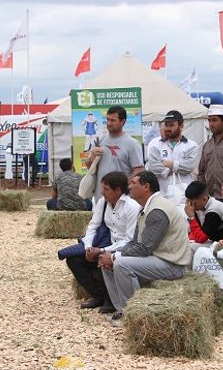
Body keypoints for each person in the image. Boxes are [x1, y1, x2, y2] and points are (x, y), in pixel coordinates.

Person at [98, 171, 192, 325]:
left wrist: (115, 257)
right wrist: (111, 255)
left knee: (120, 264)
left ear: (146, 186)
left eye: (133, 183)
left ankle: (136, 314)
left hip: (172, 264)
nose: (129, 187)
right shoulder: (146, 208)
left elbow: (144, 248)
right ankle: (123, 310)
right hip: (158, 258)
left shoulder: (157, 210)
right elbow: (134, 242)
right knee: (107, 263)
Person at [65, 171, 141, 312]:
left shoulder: (132, 207)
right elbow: (93, 225)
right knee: (73, 259)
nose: (102, 192)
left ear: (118, 190)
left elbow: (130, 240)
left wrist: (101, 251)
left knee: (103, 259)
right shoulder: (103, 202)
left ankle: (111, 301)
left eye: (106, 189)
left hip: (124, 249)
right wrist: (88, 247)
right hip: (106, 243)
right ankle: (99, 295)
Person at [86, 106, 144, 201]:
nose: (109, 123)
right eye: (107, 119)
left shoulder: (132, 143)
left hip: (121, 198)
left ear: (123, 122)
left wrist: (123, 186)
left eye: (113, 120)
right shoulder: (99, 140)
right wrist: (92, 155)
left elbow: (139, 170)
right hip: (101, 197)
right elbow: (89, 167)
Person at [145, 110, 199, 200]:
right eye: (166, 125)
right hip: (161, 195)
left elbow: (188, 167)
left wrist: (171, 164)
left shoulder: (191, 146)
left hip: (184, 197)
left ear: (181, 126)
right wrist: (175, 168)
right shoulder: (156, 145)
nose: (168, 128)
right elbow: (153, 167)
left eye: (171, 125)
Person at [184, 180, 223, 245]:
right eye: (188, 201)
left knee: (190, 248)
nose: (190, 205)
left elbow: (201, 238)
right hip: (211, 240)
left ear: (204, 199)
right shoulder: (198, 206)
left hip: (222, 242)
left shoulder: (214, 210)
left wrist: (191, 218)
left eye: (194, 203)